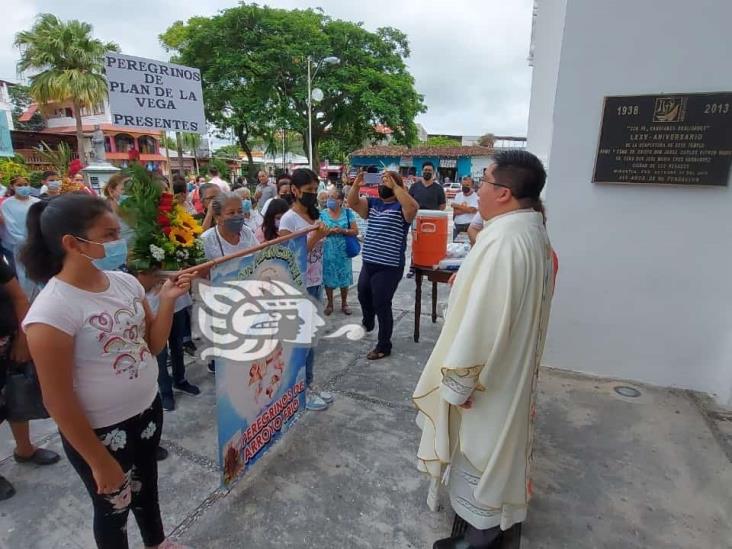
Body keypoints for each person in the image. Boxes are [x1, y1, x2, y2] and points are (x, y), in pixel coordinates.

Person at [20, 193, 194, 548]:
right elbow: (57, 399)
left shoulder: (125, 283)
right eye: (110, 235)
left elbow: (152, 346)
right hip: (99, 432)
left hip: (146, 411)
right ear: (72, 243)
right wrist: (98, 461)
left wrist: (167, 300)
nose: (120, 242)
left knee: (147, 488)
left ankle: (156, 542)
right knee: (114, 508)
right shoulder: (52, 311)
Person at [413, 150, 556, 549]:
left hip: (489, 381)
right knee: (493, 452)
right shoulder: (528, 230)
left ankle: (481, 539)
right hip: (510, 369)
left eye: (485, 183)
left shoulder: (506, 242)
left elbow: (484, 323)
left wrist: (458, 387)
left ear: (505, 192)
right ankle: (485, 533)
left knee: (483, 453)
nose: (477, 192)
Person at [0, 254, 61, 501]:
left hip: (8, 344)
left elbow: (18, 297)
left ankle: (25, 449)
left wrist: (24, 339)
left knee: (17, 400)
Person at [347, 171, 418, 360]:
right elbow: (353, 203)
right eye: (381, 182)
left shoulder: (402, 206)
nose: (382, 185)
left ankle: (384, 345)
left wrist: (396, 187)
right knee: (363, 294)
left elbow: (413, 207)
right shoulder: (373, 203)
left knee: (381, 303)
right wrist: (356, 186)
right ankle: (368, 321)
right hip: (369, 261)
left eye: (387, 182)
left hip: (389, 265)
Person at [278, 168, 331, 412]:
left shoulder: (312, 215)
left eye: (315, 190)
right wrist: (314, 238)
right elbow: (290, 258)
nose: (313, 195)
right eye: (308, 191)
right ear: (295, 191)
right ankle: (300, 390)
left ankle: (308, 384)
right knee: (302, 342)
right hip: (298, 286)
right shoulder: (289, 219)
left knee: (311, 339)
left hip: (315, 281)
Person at [135, 270, 200, 412]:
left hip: (178, 302)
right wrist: (159, 278)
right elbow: (140, 280)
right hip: (154, 306)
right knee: (160, 354)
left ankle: (180, 380)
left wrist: (183, 273)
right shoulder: (139, 253)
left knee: (177, 346)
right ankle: (165, 392)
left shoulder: (178, 247)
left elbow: (187, 266)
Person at [0, 176, 40, 298]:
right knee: (25, 275)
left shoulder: (36, 202)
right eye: (19, 185)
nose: (23, 187)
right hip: (21, 245)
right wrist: (25, 241)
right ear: (12, 186)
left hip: (38, 244)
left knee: (41, 272)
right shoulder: (7, 204)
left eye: (26, 184)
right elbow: (10, 226)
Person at [320, 189, 358, 316]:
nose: (329, 199)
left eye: (332, 197)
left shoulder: (348, 213)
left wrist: (343, 230)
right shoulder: (323, 214)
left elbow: (355, 231)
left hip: (344, 251)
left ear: (340, 200)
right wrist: (329, 231)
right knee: (328, 276)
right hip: (328, 250)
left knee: (344, 277)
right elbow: (318, 231)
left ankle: (344, 303)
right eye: (328, 197)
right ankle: (330, 303)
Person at [407, 161, 446, 277]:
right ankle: (413, 267)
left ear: (433, 172)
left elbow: (442, 205)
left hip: (432, 222)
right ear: (422, 171)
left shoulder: (438, 188)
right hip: (416, 221)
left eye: (429, 170)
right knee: (416, 243)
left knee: (431, 243)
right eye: (425, 170)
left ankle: (430, 264)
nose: (427, 172)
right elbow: (409, 202)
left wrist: (433, 214)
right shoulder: (415, 187)